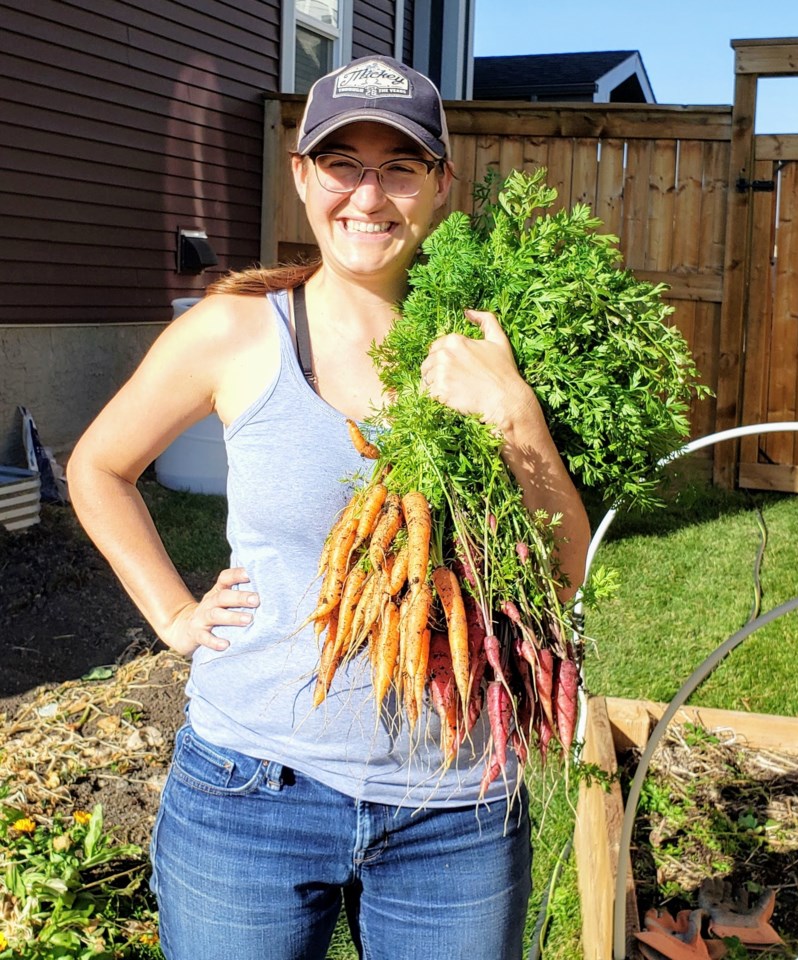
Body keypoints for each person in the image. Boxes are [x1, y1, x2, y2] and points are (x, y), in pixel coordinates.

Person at [67, 55, 591, 960]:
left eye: (400, 166)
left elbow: (566, 575)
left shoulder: (505, 338)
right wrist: (175, 614)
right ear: (304, 176)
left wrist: (516, 413)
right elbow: (98, 468)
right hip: (248, 792)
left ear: (439, 185)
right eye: (343, 161)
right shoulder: (234, 332)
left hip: (454, 808)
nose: (369, 193)